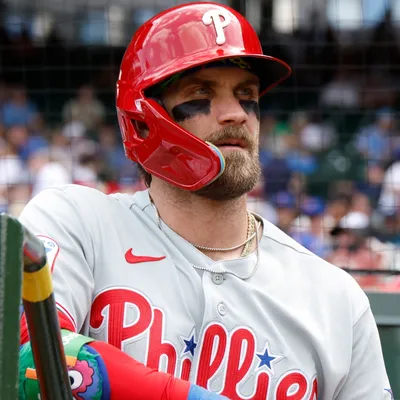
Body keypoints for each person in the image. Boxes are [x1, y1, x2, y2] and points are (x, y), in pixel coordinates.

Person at [18, 2, 392, 399]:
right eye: (201, 92)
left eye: (246, 94)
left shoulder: (335, 298)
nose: (236, 114)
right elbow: (32, 357)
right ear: (144, 119)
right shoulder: (79, 223)